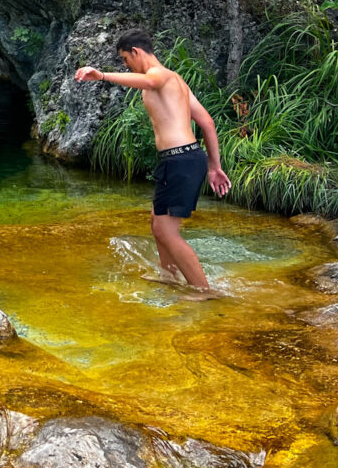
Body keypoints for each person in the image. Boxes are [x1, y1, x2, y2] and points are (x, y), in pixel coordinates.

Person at [75, 29, 232, 293]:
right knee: (157, 222)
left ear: (136, 52)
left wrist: (101, 76)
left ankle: (204, 291)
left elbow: (149, 82)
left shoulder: (159, 76)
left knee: (167, 231)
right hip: (182, 159)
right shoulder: (177, 82)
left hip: (180, 159)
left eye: (125, 59)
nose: (126, 65)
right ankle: (169, 276)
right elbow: (207, 122)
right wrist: (214, 166)